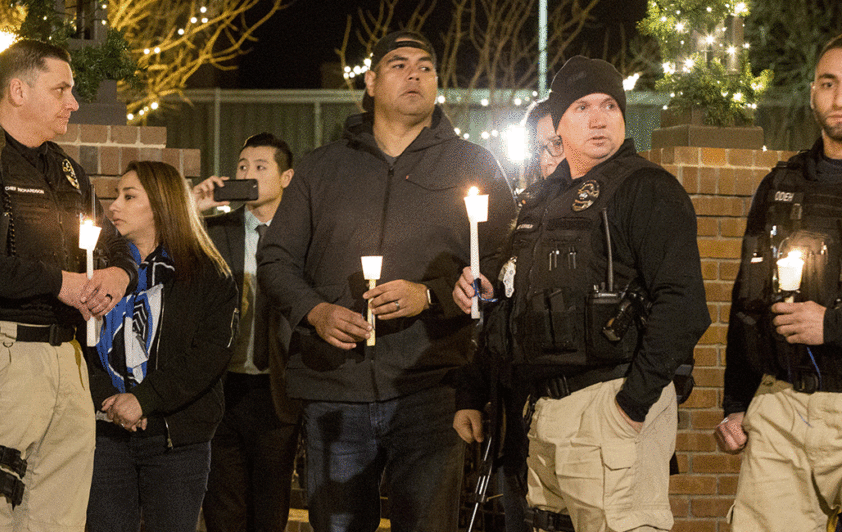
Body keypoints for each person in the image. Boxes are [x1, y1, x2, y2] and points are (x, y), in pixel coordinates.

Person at [257, 30, 515, 532]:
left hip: (431, 386)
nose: (414, 74)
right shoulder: (322, 167)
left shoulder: (472, 164)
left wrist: (432, 295)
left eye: (425, 66)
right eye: (399, 64)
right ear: (372, 82)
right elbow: (275, 260)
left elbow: (501, 261)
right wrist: (316, 312)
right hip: (335, 386)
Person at [454, 56, 710, 532]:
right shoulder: (542, 202)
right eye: (583, 107)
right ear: (559, 122)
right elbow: (516, 307)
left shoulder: (647, 188)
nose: (599, 119)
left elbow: (683, 305)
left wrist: (631, 406)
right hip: (544, 411)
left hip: (610, 399)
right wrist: (488, 299)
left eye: (610, 105)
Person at [0, 39, 137, 531]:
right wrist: (56, 282)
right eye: (61, 89)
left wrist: (119, 274)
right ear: (17, 90)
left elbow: (113, 243)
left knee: (59, 518)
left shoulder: (66, 170)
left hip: (68, 361)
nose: (73, 103)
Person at [715, 32, 842, 531]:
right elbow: (747, 303)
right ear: (812, 91)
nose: (840, 98)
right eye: (828, 83)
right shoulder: (780, 184)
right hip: (778, 406)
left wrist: (831, 325)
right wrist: (735, 403)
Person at [84, 160, 237, 532]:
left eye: (129, 196)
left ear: (161, 206)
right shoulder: (99, 268)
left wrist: (144, 399)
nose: (114, 205)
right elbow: (82, 344)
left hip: (174, 438)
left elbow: (209, 356)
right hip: (107, 433)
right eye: (116, 195)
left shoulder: (207, 273)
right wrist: (109, 399)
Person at [454, 95, 565, 532]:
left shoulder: (616, 212)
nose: (549, 158)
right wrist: (470, 395)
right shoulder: (525, 221)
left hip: (583, 424)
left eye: (558, 144)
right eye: (541, 148)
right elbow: (500, 320)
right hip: (518, 427)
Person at [193, 133, 301, 532]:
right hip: (222, 387)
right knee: (223, 507)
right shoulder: (214, 230)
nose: (248, 174)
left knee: (270, 508)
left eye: (260, 167)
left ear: (286, 177)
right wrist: (193, 206)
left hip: (277, 389)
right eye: (242, 167)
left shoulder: (302, 235)